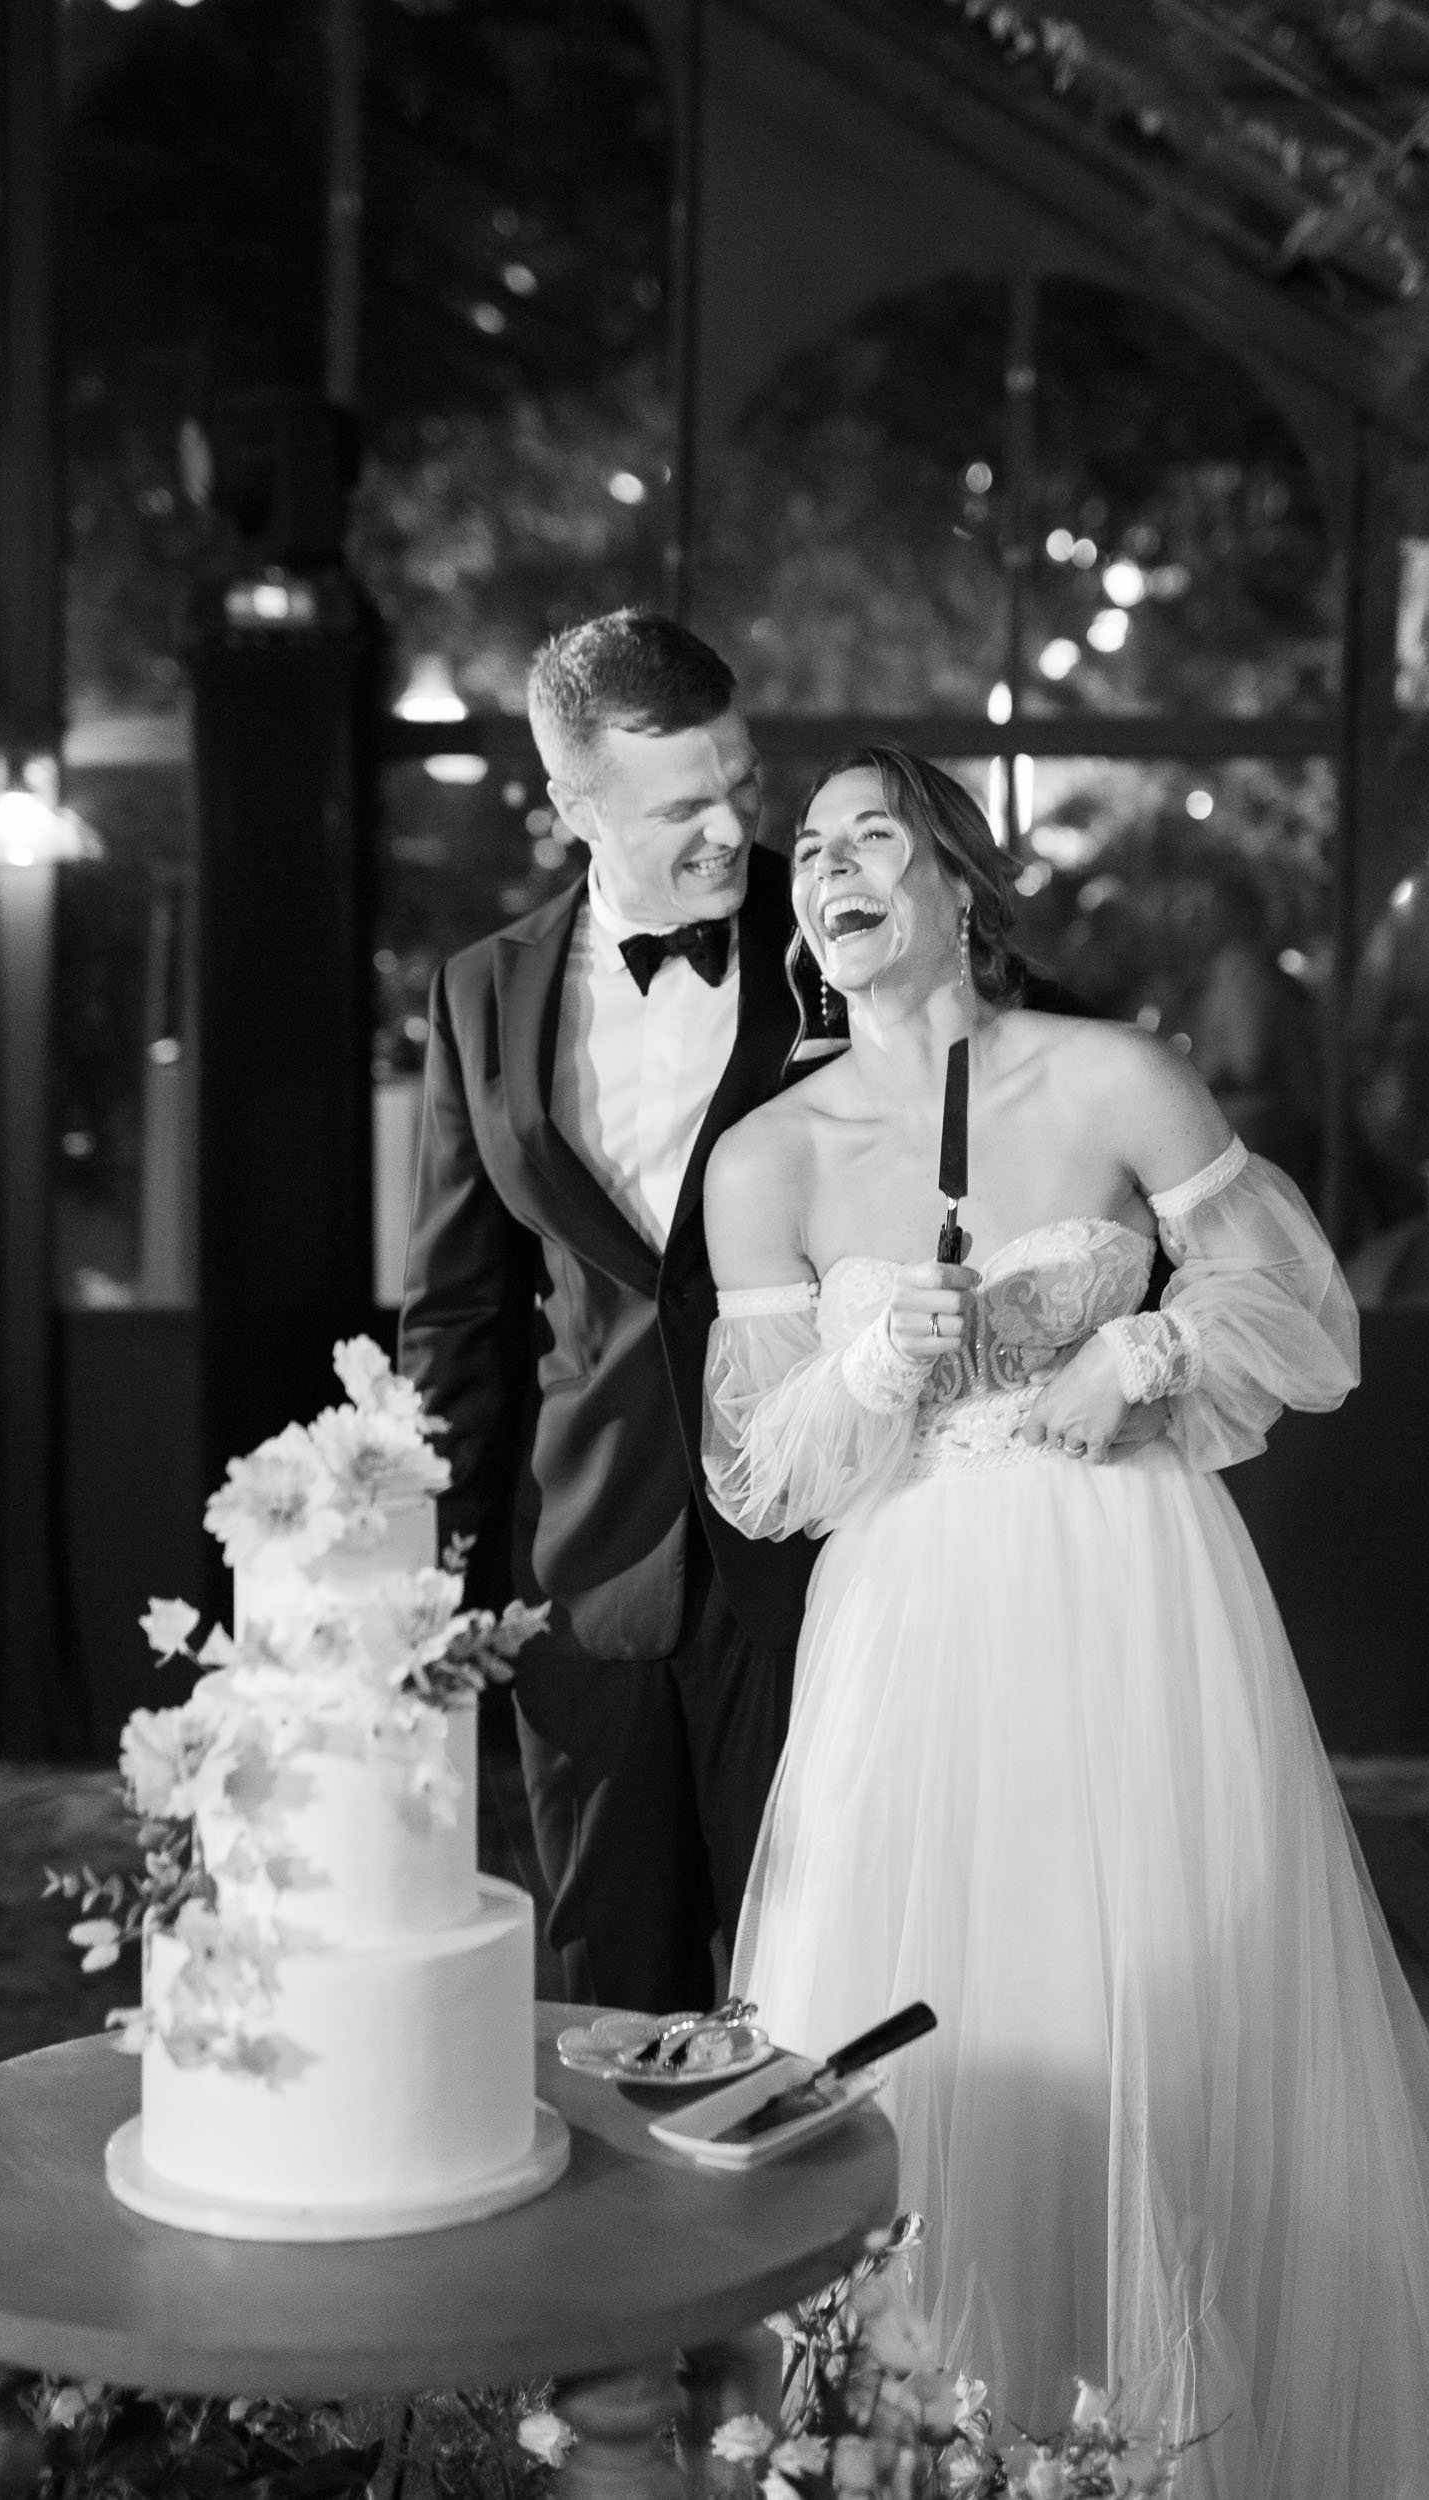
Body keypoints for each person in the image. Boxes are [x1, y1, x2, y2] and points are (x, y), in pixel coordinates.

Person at [700, 746, 1429, 2494]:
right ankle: (927, 2443)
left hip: (1130, 1584)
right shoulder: (768, 1158)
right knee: (926, 2001)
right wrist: (863, 1370)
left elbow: (1297, 1306)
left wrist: (1155, 1346)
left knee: (1159, 1990)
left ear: (959, 880)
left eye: (869, 833)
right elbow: (763, 1470)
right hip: (912, 1610)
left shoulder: (1115, 1074)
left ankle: (1190, 2436)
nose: (827, 864)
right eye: (805, 848)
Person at [399, 610, 821, 2015]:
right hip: (577, 1576)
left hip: (814, 1553)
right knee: (607, 2000)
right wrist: (436, 1581)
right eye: (679, 805)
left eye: (742, 786)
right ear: (573, 806)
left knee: (818, 1980)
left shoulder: (837, 933)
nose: (727, 828)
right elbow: (455, 1312)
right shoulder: (479, 993)